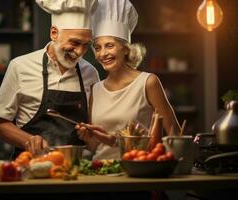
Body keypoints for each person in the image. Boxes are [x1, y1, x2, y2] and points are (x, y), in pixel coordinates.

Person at [0, 0, 100, 158]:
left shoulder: (90, 73)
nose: (80, 52)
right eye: (75, 43)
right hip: (30, 167)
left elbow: (93, 131)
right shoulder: (20, 67)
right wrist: (28, 140)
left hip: (75, 170)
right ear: (54, 33)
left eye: (86, 45)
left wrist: (89, 135)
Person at [76, 0, 181, 160]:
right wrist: (88, 138)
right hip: (101, 172)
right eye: (97, 47)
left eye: (109, 45)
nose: (102, 54)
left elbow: (175, 133)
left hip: (139, 170)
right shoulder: (95, 90)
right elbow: (94, 146)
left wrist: (176, 165)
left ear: (125, 48)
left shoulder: (148, 82)